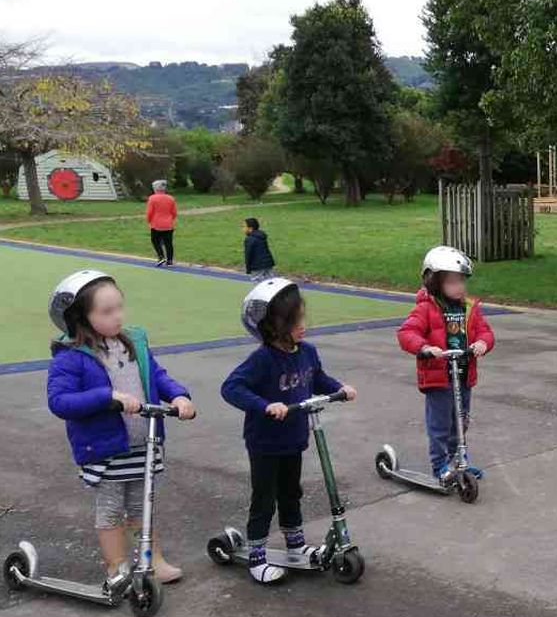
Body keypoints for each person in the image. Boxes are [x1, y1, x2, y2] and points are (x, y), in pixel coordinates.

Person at [45, 270, 196, 584]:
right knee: (111, 510)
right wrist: (106, 396)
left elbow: (156, 376)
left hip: (143, 443)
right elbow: (60, 402)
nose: (118, 317)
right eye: (107, 312)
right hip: (105, 450)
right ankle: (117, 568)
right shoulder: (70, 357)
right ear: (80, 318)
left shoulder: (133, 342)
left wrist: (179, 395)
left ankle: (152, 560)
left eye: (119, 308)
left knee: (144, 506)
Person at [220, 278, 357, 584]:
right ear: (273, 327)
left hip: (294, 439)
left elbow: (316, 378)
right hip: (265, 442)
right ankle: (256, 554)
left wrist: (339, 388)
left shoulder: (306, 352)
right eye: (295, 321)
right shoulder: (262, 360)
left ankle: (294, 543)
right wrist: (265, 405)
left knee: (291, 492)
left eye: (302, 318)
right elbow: (231, 387)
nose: (302, 325)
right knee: (265, 497)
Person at [397, 246, 495, 481]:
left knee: (461, 421)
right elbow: (407, 333)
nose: (458, 286)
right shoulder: (426, 308)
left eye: (461, 281)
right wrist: (425, 348)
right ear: (434, 281)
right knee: (440, 424)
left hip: (463, 375)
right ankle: (440, 465)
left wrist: (482, 342)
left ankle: (459, 460)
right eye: (451, 282)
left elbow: (485, 332)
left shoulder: (470, 308)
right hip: (438, 378)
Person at [145, 180, 177, 267]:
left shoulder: (152, 198)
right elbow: (174, 212)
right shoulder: (171, 198)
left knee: (155, 241)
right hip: (168, 224)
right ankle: (170, 260)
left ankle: (161, 256)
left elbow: (149, 212)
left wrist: (148, 221)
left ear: (155, 189)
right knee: (168, 243)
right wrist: (171, 219)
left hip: (156, 224)